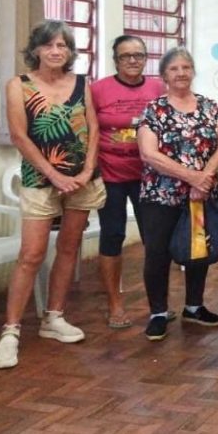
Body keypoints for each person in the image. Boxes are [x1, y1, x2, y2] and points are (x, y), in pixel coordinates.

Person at [0, 20, 106, 370]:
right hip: (40, 180)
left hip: (82, 181)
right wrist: (54, 174)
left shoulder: (82, 84)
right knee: (31, 253)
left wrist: (86, 171)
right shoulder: (19, 86)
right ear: (37, 49)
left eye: (63, 46)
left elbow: (94, 128)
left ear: (70, 52)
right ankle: (10, 331)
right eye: (49, 45)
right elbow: (20, 136)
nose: (56, 51)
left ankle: (53, 317)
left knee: (69, 247)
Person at [137, 47, 218, 341]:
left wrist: (204, 180)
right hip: (161, 195)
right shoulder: (154, 109)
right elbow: (148, 154)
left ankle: (194, 306)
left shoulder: (208, 106)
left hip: (201, 194)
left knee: (198, 249)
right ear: (164, 75)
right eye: (174, 68)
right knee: (158, 253)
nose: (181, 73)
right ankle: (159, 313)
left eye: (186, 67)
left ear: (192, 72)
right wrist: (191, 177)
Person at [89, 34, 164, 329]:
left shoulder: (158, 88)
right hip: (111, 176)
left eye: (138, 55)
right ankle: (115, 304)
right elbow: (88, 133)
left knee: (154, 240)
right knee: (113, 236)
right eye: (125, 56)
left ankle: (156, 305)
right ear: (115, 59)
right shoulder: (97, 90)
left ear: (146, 58)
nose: (133, 61)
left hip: (149, 177)